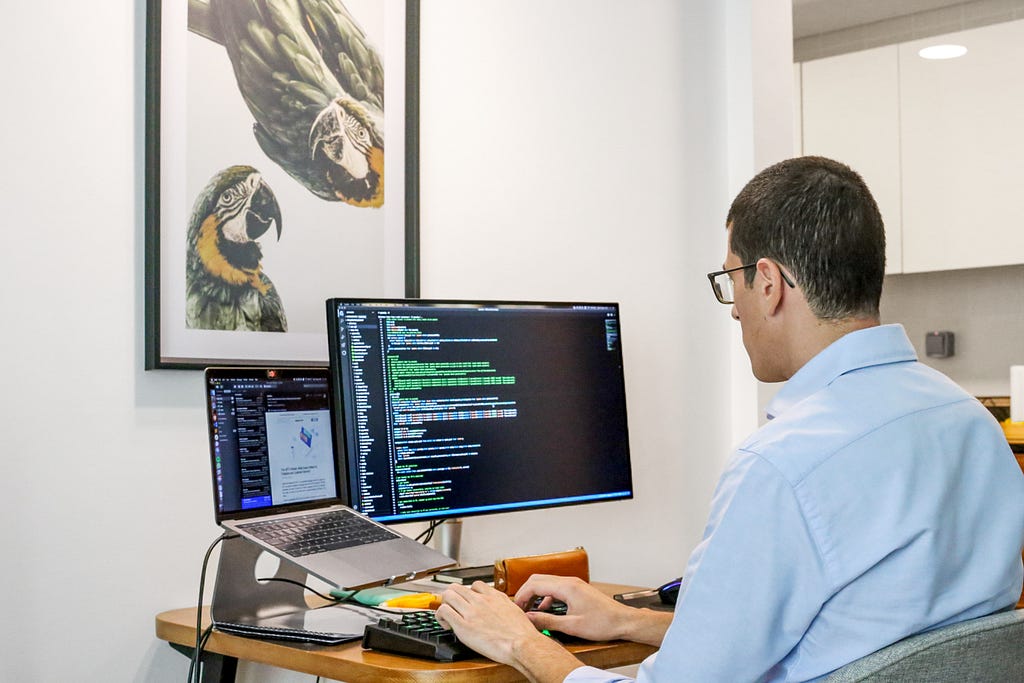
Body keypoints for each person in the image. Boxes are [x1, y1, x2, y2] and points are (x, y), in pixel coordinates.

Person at [436, 156, 1024, 682]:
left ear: (767, 284)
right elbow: (851, 645)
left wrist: (519, 645)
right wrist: (627, 620)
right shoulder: (968, 421)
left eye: (730, 281)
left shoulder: (783, 467)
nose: (735, 308)